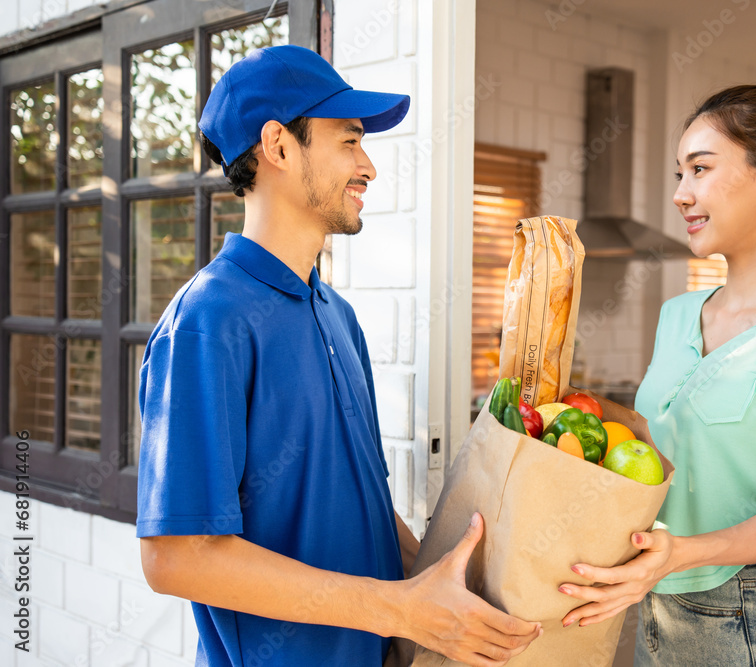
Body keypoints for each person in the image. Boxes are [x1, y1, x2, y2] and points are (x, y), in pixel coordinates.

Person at [135, 45, 541, 667]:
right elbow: (176, 557)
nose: (368, 166)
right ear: (278, 146)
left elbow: (368, 509)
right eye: (349, 140)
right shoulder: (207, 320)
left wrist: (455, 588)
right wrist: (400, 608)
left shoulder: (337, 316)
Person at [557, 84, 756, 665]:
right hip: (652, 603)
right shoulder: (677, 313)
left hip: (745, 616)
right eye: (679, 173)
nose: (681, 194)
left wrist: (678, 554)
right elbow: (661, 450)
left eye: (700, 169)